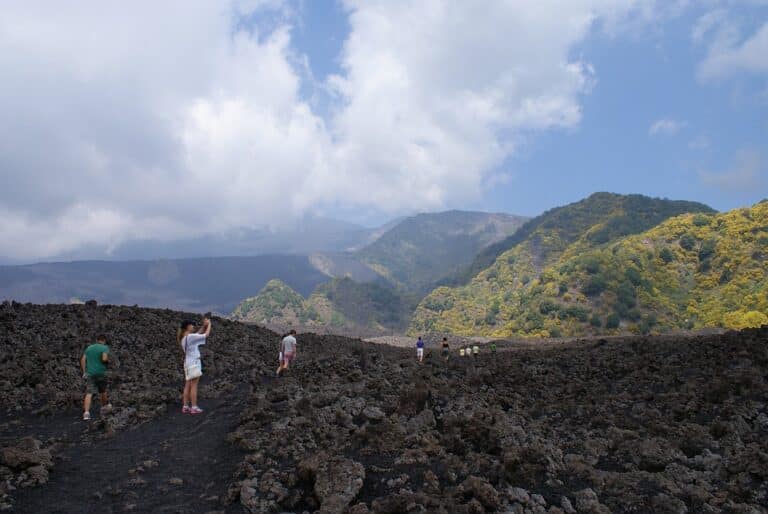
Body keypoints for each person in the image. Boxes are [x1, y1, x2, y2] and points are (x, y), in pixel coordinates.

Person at [179, 317, 211, 414]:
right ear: (188, 327)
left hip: (188, 363)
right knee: (194, 385)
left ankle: (185, 406)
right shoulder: (190, 337)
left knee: (187, 384)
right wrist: (209, 324)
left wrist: (203, 326)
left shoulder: (184, 338)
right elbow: (206, 335)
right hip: (194, 363)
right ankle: (194, 407)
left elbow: (197, 334)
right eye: (192, 325)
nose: (193, 326)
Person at [81, 335, 112, 421]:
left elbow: (83, 359)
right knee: (103, 391)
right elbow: (104, 358)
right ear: (104, 340)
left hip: (90, 374)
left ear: (96, 340)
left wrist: (84, 372)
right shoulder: (104, 347)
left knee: (89, 393)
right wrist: (107, 362)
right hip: (101, 373)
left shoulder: (89, 348)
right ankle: (104, 408)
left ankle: (86, 413)